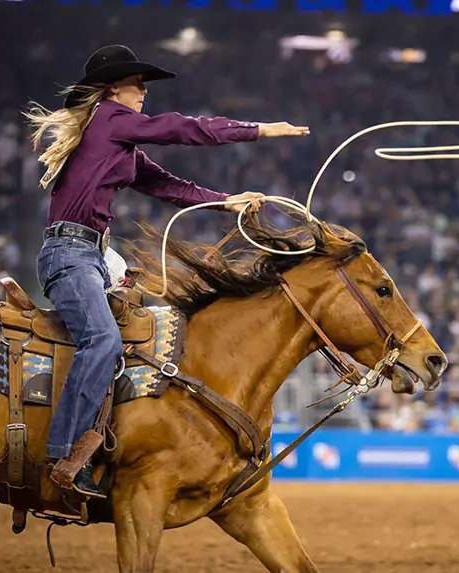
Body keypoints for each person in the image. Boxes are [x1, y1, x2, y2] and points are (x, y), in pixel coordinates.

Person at [24, 45, 309, 498]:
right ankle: (62, 455)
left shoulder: (117, 145)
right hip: (70, 254)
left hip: (91, 256)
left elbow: (168, 186)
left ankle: (113, 443)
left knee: (135, 339)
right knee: (103, 341)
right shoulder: (109, 119)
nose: (143, 92)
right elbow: (180, 128)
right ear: (114, 88)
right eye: (138, 84)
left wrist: (226, 200)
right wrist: (256, 130)